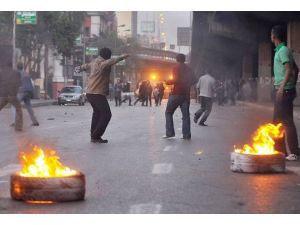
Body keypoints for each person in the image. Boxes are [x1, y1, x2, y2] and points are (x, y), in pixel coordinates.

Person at [75, 48, 129, 143]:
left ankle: (93, 135)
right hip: (97, 93)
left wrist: (80, 67)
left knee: (97, 113)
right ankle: (96, 135)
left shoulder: (94, 62)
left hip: (89, 93)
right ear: (107, 56)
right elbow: (112, 61)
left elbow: (86, 66)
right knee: (107, 114)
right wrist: (122, 57)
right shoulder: (103, 63)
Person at [271, 25, 300, 161]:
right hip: (285, 89)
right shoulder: (282, 50)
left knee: (287, 121)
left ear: (274, 36)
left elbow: (289, 69)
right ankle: (280, 151)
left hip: (284, 90)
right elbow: (297, 69)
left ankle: (294, 152)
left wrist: (283, 88)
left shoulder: (282, 51)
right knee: (277, 122)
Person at [164, 54, 196, 139]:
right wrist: (187, 84)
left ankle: (170, 133)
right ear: (184, 59)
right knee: (185, 115)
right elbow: (194, 80)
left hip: (176, 93)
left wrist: (168, 81)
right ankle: (186, 134)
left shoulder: (176, 68)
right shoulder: (189, 69)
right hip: (186, 94)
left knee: (168, 112)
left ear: (177, 59)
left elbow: (175, 80)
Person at [0, 60, 23, 131]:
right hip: (12, 95)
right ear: (12, 66)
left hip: (3, 95)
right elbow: (19, 83)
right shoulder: (16, 73)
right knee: (18, 109)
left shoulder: (1, 72)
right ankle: (18, 127)